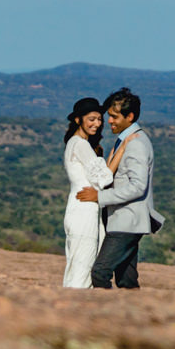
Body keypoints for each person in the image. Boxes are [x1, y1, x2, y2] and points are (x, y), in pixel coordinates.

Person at [77, 87, 162, 290]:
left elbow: (137, 187)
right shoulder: (127, 140)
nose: (109, 121)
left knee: (100, 272)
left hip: (127, 221)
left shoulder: (136, 144)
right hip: (125, 220)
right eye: (109, 116)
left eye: (114, 117)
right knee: (126, 280)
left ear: (129, 116)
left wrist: (100, 196)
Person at [59, 97, 113, 289]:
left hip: (82, 209)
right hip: (84, 210)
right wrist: (120, 152)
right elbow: (105, 178)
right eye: (91, 119)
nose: (97, 124)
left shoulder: (77, 144)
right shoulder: (80, 144)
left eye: (99, 119)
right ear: (78, 120)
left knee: (78, 264)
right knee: (82, 267)